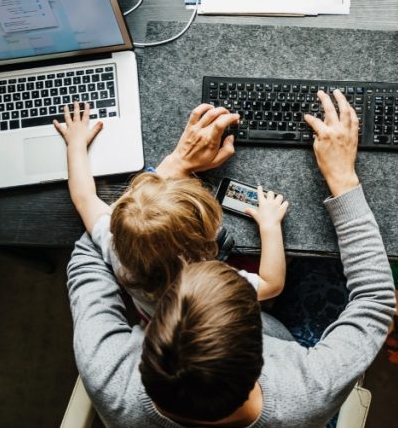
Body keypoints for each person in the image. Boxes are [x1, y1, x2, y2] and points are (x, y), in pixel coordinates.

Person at [66, 90, 396, 428]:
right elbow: (376, 302)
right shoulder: (305, 390)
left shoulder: (106, 376)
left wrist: (171, 171)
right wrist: (342, 178)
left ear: (144, 346)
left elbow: (89, 253)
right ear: (263, 351)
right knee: (322, 271)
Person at [54, 102, 289, 317]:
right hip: (204, 314)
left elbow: (84, 197)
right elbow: (272, 284)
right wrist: (270, 226)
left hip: (154, 314)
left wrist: (75, 145)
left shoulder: (115, 245)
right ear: (205, 246)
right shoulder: (211, 285)